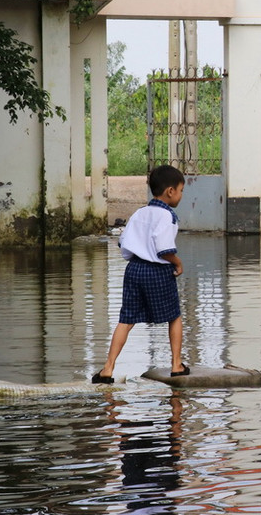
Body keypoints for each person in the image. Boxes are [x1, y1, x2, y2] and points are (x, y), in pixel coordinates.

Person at [92, 164, 189, 383]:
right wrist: (178, 262)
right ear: (170, 191)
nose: (181, 195)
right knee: (174, 316)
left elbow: (123, 243)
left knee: (126, 320)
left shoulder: (139, 213)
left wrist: (139, 256)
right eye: (181, 190)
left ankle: (107, 368)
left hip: (134, 269)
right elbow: (164, 250)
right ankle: (176, 364)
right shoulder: (167, 216)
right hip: (158, 271)